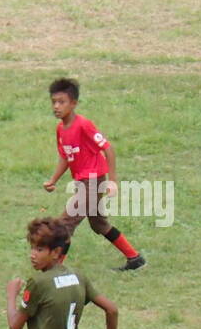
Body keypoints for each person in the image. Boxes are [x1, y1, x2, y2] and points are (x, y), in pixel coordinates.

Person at [43, 77, 146, 271]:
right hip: (82, 182)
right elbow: (66, 156)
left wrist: (112, 182)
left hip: (92, 181)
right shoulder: (60, 129)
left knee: (63, 225)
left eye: (62, 102)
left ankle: (54, 272)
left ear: (73, 103)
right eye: (53, 102)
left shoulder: (83, 125)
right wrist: (53, 180)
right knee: (99, 224)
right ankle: (135, 258)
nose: (56, 106)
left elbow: (108, 149)